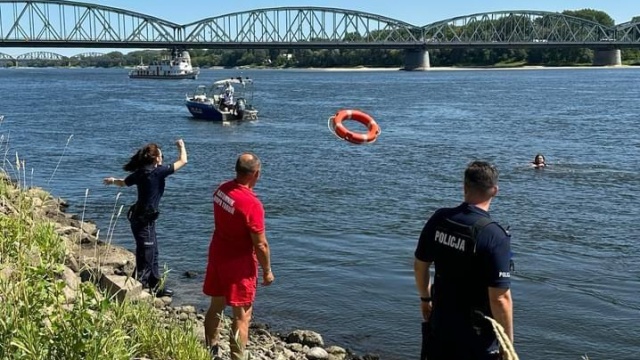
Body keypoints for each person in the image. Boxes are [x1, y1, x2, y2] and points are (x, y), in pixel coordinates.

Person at [414, 160, 514, 360]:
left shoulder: (440, 219)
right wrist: (507, 345)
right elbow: (500, 298)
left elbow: (420, 265)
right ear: (495, 190)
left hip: (440, 324)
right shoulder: (494, 235)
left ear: (464, 187)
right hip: (476, 338)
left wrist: (425, 299)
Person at [203, 152, 275, 360]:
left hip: (217, 254)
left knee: (216, 306)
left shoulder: (221, 190)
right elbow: (260, 244)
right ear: (256, 174)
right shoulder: (252, 204)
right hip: (238, 264)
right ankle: (237, 358)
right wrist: (267, 271)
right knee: (242, 316)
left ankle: (211, 350)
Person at [103, 139, 188, 297]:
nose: (162, 158)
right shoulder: (158, 172)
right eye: (161, 155)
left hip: (141, 218)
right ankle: (138, 285)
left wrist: (113, 181)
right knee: (147, 252)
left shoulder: (141, 172)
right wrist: (181, 146)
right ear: (156, 158)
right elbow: (183, 160)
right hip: (143, 219)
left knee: (153, 251)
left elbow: (123, 183)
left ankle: (155, 285)